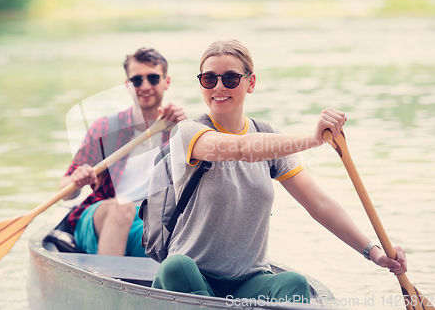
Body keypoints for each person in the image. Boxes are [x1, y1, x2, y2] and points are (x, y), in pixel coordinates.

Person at [151, 39, 407, 303]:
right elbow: (241, 149)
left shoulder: (267, 135)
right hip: (190, 278)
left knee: (293, 282)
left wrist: (374, 252)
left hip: (248, 281)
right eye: (209, 78)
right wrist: (314, 139)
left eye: (230, 78)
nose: (218, 87)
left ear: (250, 83)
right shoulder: (188, 132)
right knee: (176, 266)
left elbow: (318, 203)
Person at [59, 47, 186, 256]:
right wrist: (77, 178)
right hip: (102, 216)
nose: (145, 86)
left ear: (166, 82)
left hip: (148, 222)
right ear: (128, 86)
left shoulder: (180, 131)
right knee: (123, 207)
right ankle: (105, 282)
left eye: (153, 78)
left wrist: (185, 131)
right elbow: (65, 191)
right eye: (137, 80)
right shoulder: (106, 128)